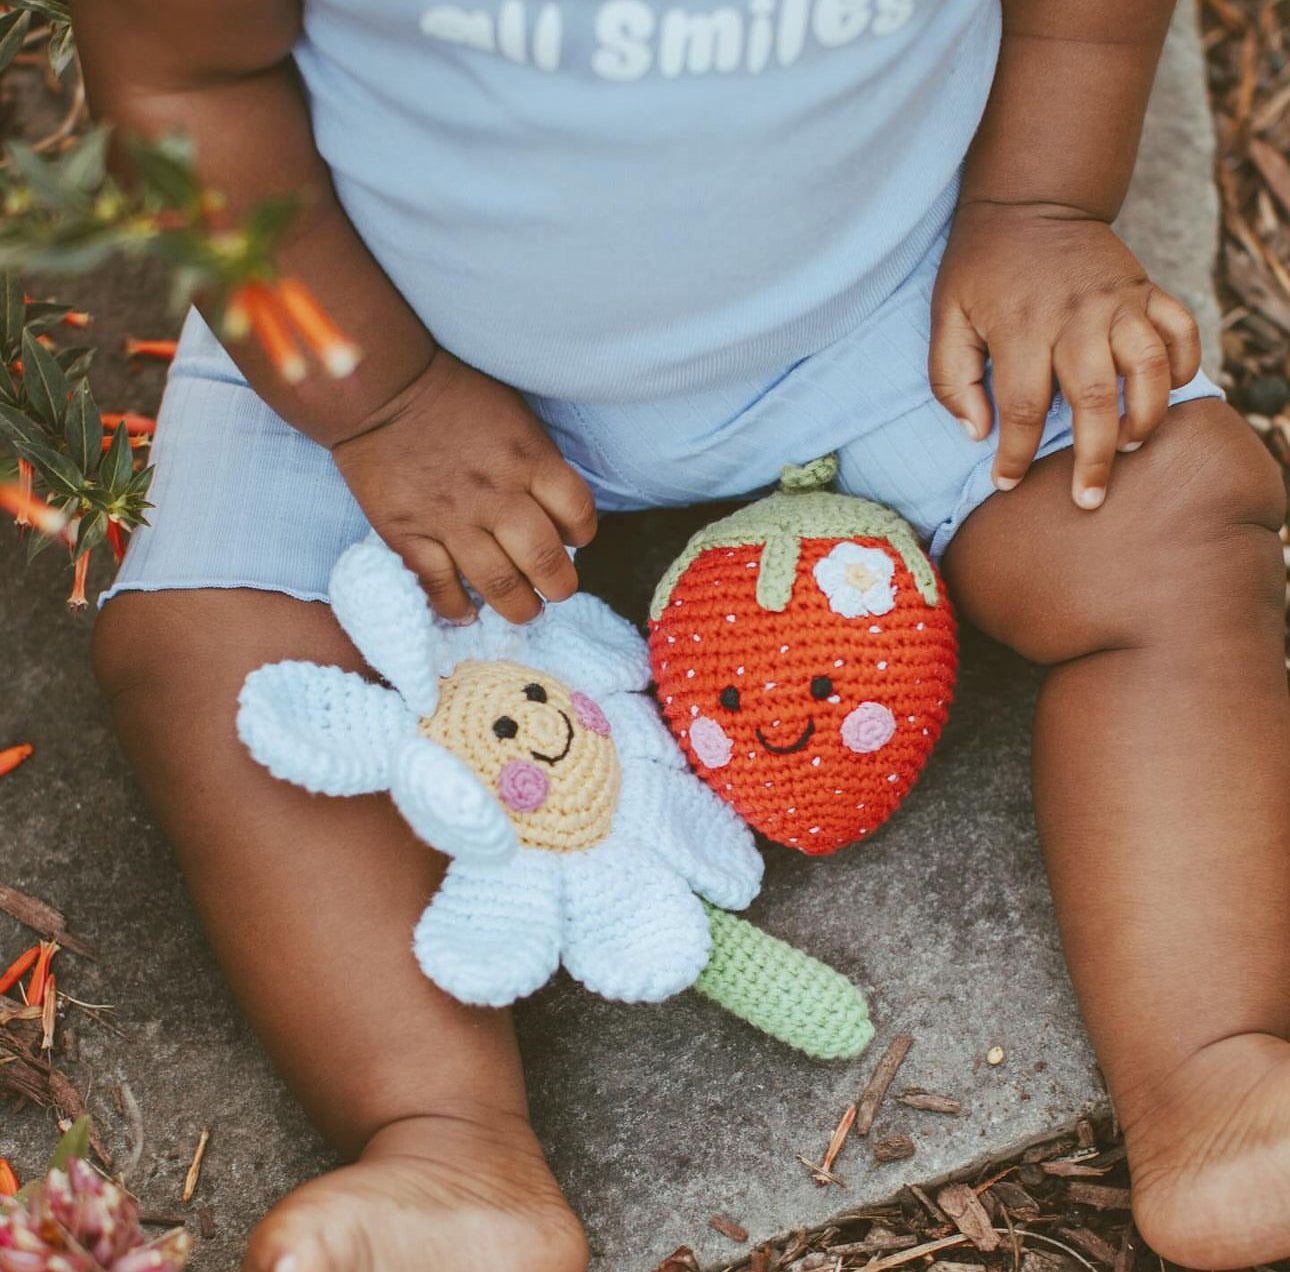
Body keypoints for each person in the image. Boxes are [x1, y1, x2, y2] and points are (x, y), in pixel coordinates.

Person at [74, 0, 1290, 1267]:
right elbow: (181, 91)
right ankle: (441, 1140)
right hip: (372, 336)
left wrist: (1040, 209)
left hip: (898, 303)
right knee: (210, 655)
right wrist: (379, 403)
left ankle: (1214, 1076)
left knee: (1165, 520)